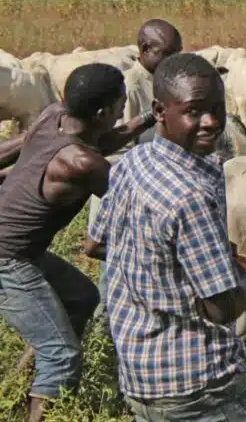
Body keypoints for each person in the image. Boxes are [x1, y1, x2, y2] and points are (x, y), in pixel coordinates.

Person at [83, 52, 246, 421]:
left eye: (218, 108)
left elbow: (96, 244)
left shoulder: (132, 163)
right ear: (158, 110)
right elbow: (221, 308)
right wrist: (239, 273)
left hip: (142, 374)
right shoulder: (191, 196)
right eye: (195, 111)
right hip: (198, 384)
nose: (212, 121)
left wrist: (167, 271)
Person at [0, 63, 158, 421]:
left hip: (22, 250)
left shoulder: (53, 117)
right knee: (62, 354)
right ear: (103, 112)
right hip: (7, 259)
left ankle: (22, 386)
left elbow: (103, 139)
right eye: (120, 105)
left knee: (81, 297)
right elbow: (132, 203)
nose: (123, 110)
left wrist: (148, 118)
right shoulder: (83, 163)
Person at [90, 19, 184, 312]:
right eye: (168, 54)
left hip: (157, 191)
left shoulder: (166, 82)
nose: (174, 61)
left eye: (177, 54)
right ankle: (106, 332)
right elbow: (115, 147)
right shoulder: (129, 86)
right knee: (115, 264)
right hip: (123, 190)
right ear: (144, 49)